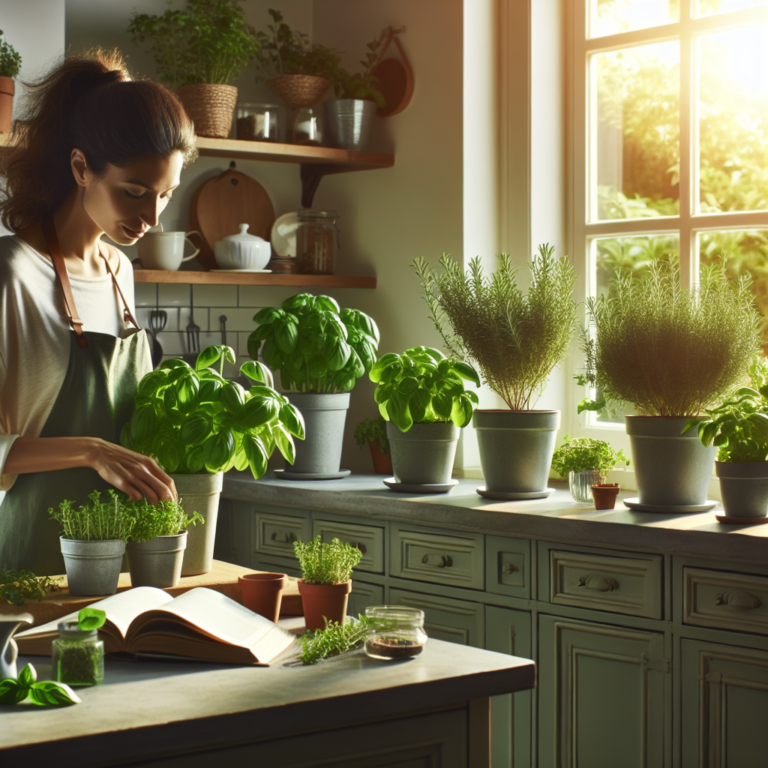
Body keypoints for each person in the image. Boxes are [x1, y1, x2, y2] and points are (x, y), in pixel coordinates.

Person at [0, 50, 198, 574]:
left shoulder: (120, 269)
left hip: (129, 557)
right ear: (81, 167)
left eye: (165, 195)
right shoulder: (12, 274)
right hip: (34, 564)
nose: (151, 218)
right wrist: (92, 451)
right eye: (134, 192)